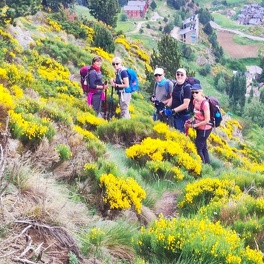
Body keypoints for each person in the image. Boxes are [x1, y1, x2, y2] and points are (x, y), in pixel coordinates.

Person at [184, 84, 212, 164]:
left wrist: (194, 125)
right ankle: (207, 165)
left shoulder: (205, 104)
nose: (194, 94)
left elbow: (207, 120)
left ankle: (202, 166)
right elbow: (196, 115)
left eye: (196, 92)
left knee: (198, 147)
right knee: (203, 148)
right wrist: (190, 121)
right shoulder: (194, 101)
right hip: (199, 127)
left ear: (201, 92)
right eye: (193, 92)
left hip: (205, 129)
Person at [168, 68, 192, 133]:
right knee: (172, 132)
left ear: (185, 77)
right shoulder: (175, 85)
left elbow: (185, 104)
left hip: (182, 117)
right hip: (174, 115)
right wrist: (166, 107)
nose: (179, 76)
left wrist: (173, 110)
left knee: (181, 134)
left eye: (182, 75)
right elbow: (172, 98)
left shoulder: (187, 88)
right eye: (178, 74)